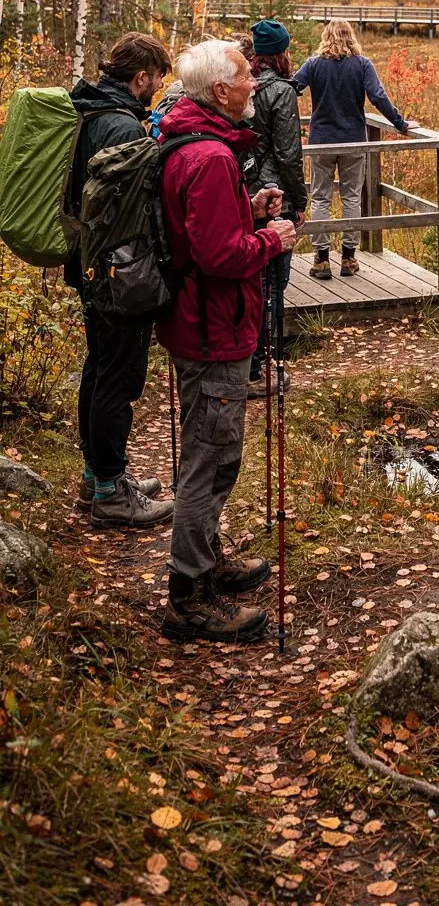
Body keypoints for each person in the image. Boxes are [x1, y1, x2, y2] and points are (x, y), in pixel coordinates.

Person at [156, 39, 297, 644]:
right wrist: (272, 240)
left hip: (200, 321)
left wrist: (249, 210)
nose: (253, 84)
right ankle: (188, 596)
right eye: (244, 76)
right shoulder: (209, 157)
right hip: (212, 327)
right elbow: (216, 256)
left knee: (214, 450)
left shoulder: (187, 142)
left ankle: (205, 561)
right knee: (210, 458)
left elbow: (204, 230)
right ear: (220, 91)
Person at [68, 31, 175, 529]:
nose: (157, 86)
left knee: (99, 366)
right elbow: (138, 211)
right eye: (156, 78)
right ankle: (111, 492)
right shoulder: (121, 127)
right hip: (118, 273)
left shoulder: (89, 111)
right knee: (119, 378)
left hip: (88, 263)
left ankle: (98, 475)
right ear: (140, 77)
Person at [292, 19, 415, 280]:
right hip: (353, 140)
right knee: (351, 197)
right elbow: (378, 96)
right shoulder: (362, 64)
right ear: (351, 37)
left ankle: (322, 259)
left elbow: (291, 89)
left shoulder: (314, 65)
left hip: (322, 141)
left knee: (321, 196)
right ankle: (348, 257)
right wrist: (400, 123)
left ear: (326, 37)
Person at [245, 18, 308, 395]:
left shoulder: (247, 87)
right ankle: (256, 370)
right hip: (275, 198)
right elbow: (289, 153)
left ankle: (250, 365)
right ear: (282, 53)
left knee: (254, 282)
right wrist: (299, 201)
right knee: (272, 285)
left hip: (247, 193)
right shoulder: (281, 92)